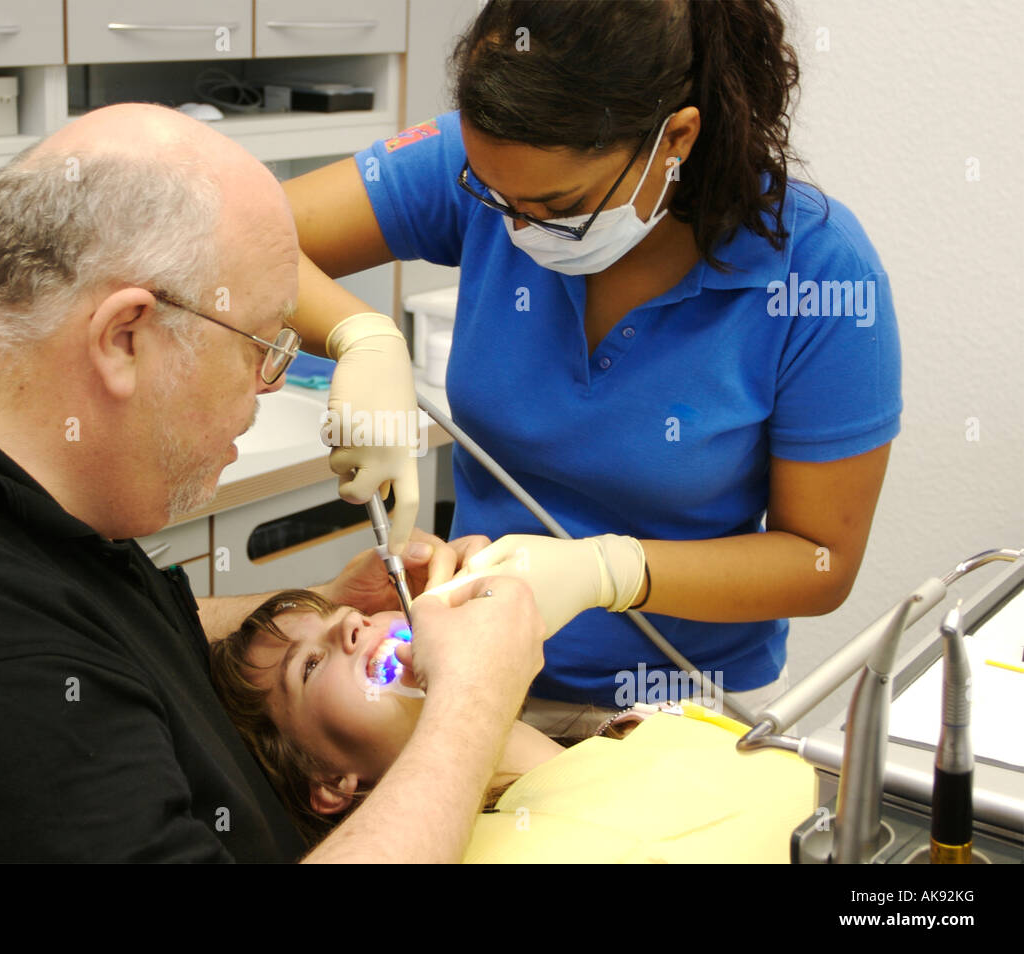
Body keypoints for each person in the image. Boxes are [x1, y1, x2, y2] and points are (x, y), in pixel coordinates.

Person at [0, 102, 547, 864]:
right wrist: (471, 704)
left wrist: (320, 597)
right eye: (260, 346)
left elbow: (112, 630)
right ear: (125, 334)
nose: (268, 385)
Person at [281, 0, 902, 738]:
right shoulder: (490, 165)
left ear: (676, 137)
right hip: (465, 675)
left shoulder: (819, 276)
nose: (512, 227)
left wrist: (613, 573)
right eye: (495, 195)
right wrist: (359, 334)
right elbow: (233, 235)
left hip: (681, 709)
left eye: (555, 206)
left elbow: (819, 560)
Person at [208, 589, 818, 862]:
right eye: (310, 665)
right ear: (331, 781)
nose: (353, 629)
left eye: (358, 616)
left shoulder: (657, 724)